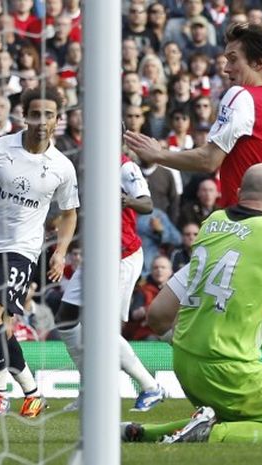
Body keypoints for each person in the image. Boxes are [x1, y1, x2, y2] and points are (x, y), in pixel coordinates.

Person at [121, 164, 262, 444]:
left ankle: (141, 433)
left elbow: (209, 308)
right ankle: (211, 433)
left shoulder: (212, 222)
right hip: (231, 370)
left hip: (185, 363)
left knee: (244, 421)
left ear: (237, 193)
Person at [124, 22, 262, 210]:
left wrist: (159, 155)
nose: (226, 68)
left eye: (233, 59)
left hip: (241, 225)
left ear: (258, 63)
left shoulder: (242, 96)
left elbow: (209, 160)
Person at [0, 87, 79, 417]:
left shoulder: (62, 166)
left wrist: (59, 253)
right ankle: (32, 392)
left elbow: (69, 212)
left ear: (57, 120)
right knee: (3, 326)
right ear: (23, 115)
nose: (41, 121)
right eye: (35, 113)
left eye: (48, 114)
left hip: (23, 251)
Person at [54, 152, 168, 412]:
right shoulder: (88, 162)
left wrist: (125, 200)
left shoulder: (125, 166)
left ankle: (151, 387)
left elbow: (147, 204)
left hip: (121, 256)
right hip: (97, 254)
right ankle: (90, 391)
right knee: (66, 317)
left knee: (103, 330)